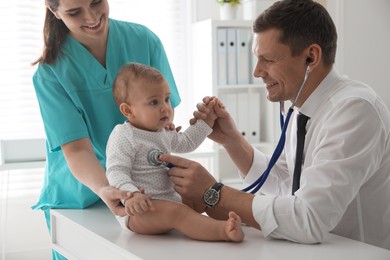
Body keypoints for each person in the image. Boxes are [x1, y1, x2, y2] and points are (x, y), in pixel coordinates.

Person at [160, 0, 390, 250]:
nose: (257, 72)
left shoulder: (355, 110)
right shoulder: (300, 107)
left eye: (267, 59)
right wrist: (232, 140)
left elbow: (308, 217)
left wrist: (213, 192)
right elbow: (286, 183)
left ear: (311, 57)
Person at [31, 0, 181, 258]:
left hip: (143, 189)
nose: (91, 17)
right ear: (54, 12)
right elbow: (76, 148)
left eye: (96, 2)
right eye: (74, 12)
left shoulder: (144, 41)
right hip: (81, 196)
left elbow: (164, 115)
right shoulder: (49, 72)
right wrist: (105, 188)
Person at [105, 62, 244, 242]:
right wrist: (131, 195)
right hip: (141, 210)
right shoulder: (124, 135)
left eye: (167, 99)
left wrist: (207, 122)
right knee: (178, 213)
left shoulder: (161, 132)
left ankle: (239, 217)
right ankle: (223, 231)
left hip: (168, 199)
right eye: (154, 102)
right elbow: (116, 171)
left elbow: (187, 142)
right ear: (128, 110)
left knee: (200, 197)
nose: (165, 108)